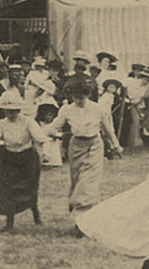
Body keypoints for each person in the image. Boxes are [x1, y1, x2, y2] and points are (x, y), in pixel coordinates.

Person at [48, 77, 122, 229]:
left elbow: (108, 129)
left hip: (94, 145)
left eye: (81, 97)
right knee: (77, 180)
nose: (77, 100)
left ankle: (83, 222)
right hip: (76, 147)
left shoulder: (98, 109)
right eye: (75, 97)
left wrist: (116, 145)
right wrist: (53, 134)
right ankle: (80, 211)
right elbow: (53, 127)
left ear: (88, 95)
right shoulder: (67, 110)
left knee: (88, 182)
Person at [0, 92, 54, 232]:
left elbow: (40, 138)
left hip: (27, 158)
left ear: (19, 110)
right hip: (9, 158)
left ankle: (36, 215)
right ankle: (9, 223)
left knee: (29, 188)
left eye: (13, 111)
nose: (10, 114)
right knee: (7, 190)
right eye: (7, 111)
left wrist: (45, 153)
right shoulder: (2, 123)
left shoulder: (28, 121)